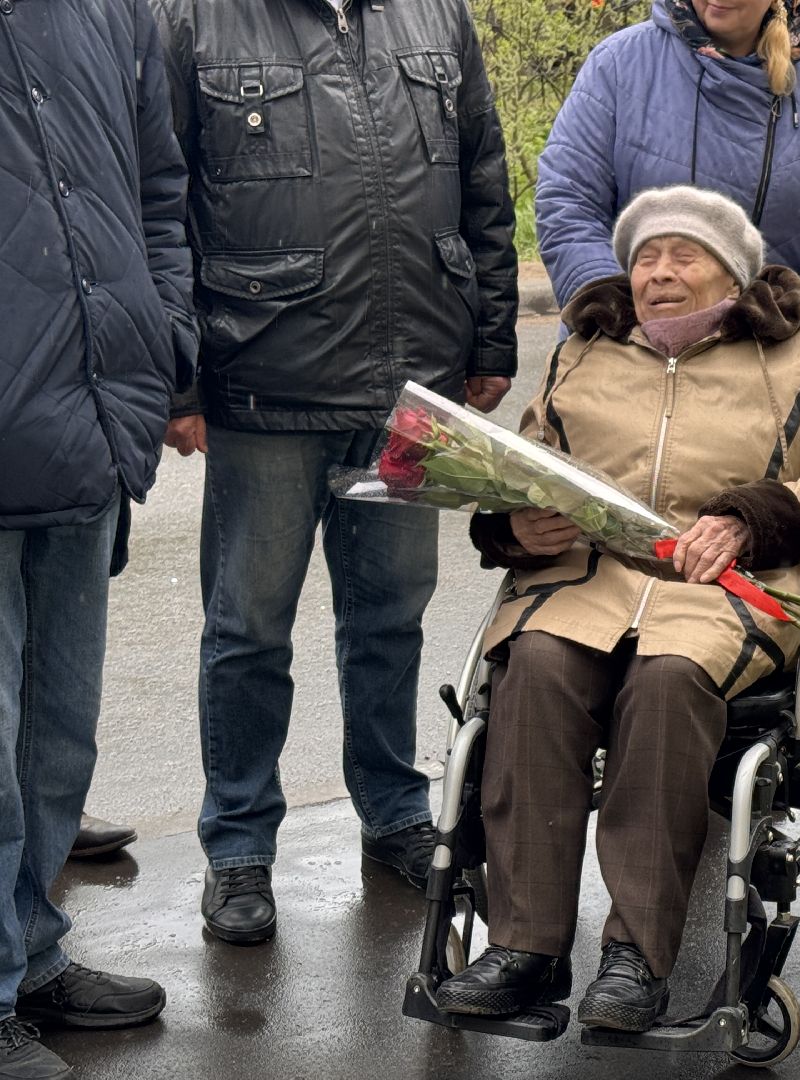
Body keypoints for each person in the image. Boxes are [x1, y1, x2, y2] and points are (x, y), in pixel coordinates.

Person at [437, 186, 800, 1031]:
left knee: (668, 680)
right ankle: (524, 949)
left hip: (717, 591)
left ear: (732, 272)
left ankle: (636, 958)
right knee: (531, 669)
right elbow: (528, 464)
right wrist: (518, 523)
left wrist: (752, 519)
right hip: (584, 582)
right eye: (644, 258)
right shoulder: (586, 352)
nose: (659, 275)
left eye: (683, 257)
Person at [150, 0, 519, 945]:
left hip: (412, 386)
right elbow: (162, 196)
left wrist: (492, 331)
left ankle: (394, 810)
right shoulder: (194, 20)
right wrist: (178, 378)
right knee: (246, 630)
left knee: (391, 616)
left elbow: (484, 173)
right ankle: (239, 845)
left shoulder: (438, 15)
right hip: (263, 381)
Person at [0, 0, 197, 1072]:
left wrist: (165, 329)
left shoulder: (116, 10)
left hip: (86, 423)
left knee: (55, 734)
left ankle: (31, 954)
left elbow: (161, 192)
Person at [535, 0, 800, 366]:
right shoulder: (618, 63)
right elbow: (568, 201)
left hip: (774, 355)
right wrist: (611, 311)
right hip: (630, 352)